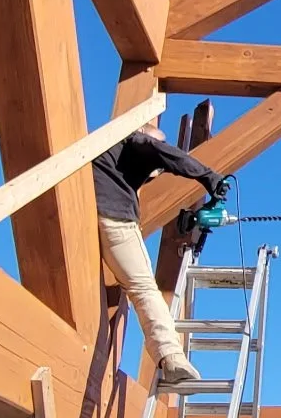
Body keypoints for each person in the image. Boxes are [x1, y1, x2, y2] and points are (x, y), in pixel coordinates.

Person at [92, 121, 226, 385]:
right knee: (143, 289)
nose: (157, 172)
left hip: (88, 215)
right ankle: (171, 356)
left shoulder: (104, 154)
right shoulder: (135, 141)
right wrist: (208, 176)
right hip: (116, 221)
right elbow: (160, 151)